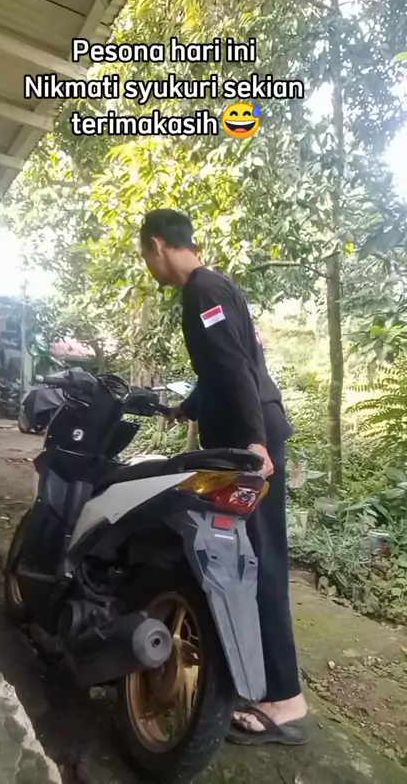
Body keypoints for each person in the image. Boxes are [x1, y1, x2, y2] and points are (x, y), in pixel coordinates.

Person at [140, 207, 309, 745]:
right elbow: (219, 369)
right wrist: (187, 408)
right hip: (244, 434)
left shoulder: (202, 291)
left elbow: (237, 367)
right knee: (243, 558)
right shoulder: (214, 286)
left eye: (146, 255)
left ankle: (284, 697)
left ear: (157, 245)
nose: (148, 265)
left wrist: (255, 441)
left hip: (250, 441)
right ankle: (254, 677)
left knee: (260, 562)